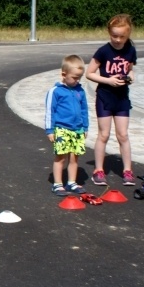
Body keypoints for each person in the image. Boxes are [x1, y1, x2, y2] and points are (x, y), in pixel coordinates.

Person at [85, 14, 136, 186]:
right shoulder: (103, 51)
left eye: (122, 36)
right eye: (114, 35)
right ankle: (98, 170)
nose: (118, 39)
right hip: (105, 97)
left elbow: (130, 69)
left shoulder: (130, 50)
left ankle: (127, 170)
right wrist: (109, 80)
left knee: (123, 134)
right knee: (104, 134)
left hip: (121, 98)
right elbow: (89, 73)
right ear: (109, 33)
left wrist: (130, 77)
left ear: (127, 35)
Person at [45, 55, 89, 196]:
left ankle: (72, 182)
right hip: (61, 129)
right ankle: (57, 184)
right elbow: (49, 111)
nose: (77, 81)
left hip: (77, 129)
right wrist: (50, 130)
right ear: (64, 74)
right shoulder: (55, 91)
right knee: (61, 157)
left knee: (74, 157)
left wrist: (85, 127)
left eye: (79, 78)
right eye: (74, 78)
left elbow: (84, 110)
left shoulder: (80, 91)